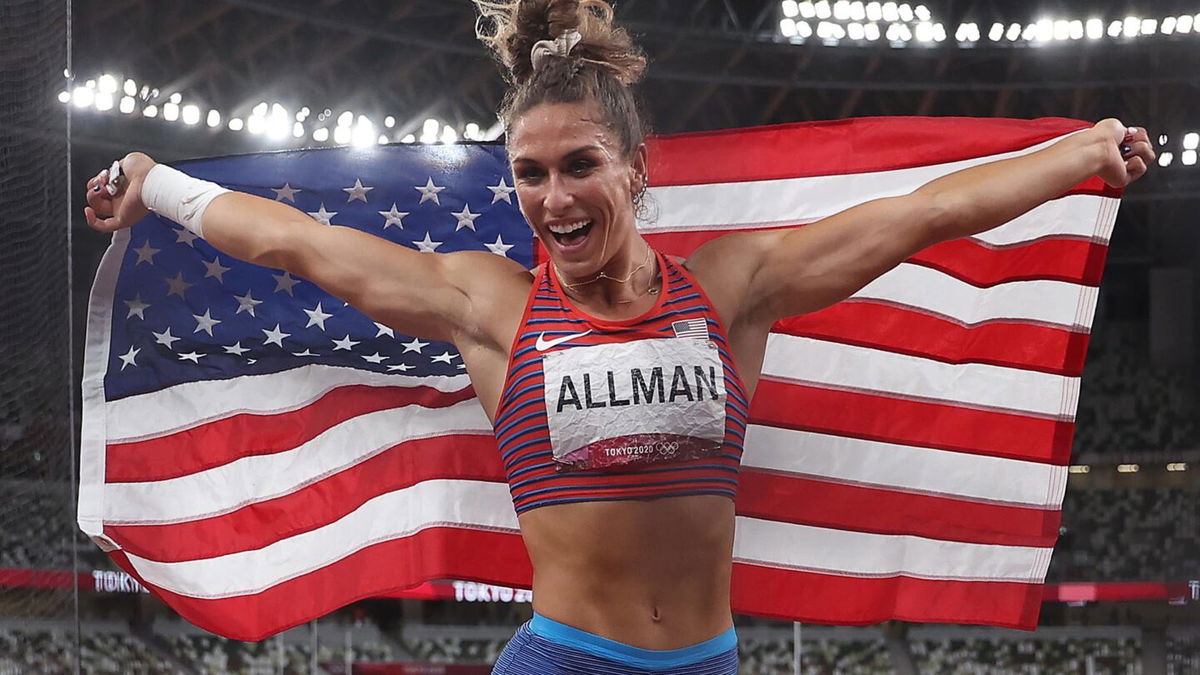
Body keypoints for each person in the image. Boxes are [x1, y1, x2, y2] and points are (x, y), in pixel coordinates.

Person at [85, 1, 1154, 671]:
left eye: (579, 166)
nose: (553, 196)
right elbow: (301, 248)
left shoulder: (733, 286)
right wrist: (159, 185)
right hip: (566, 660)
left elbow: (922, 214)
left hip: (711, 660)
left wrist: (1081, 157)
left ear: (635, 172)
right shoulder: (491, 307)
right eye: (531, 174)